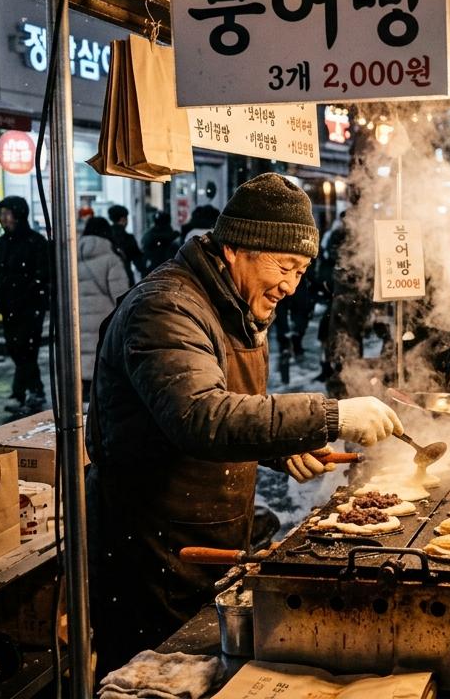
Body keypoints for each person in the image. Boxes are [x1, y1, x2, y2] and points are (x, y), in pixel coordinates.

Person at [86, 174, 404, 676]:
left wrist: (282, 446)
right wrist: (331, 415)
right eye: (284, 266)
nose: (290, 285)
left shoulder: (232, 303)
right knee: (153, 679)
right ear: (235, 248)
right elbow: (199, 417)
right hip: (152, 549)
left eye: (301, 271)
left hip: (207, 537)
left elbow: (234, 408)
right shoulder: (167, 306)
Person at [0, 196, 51, 414]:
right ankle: (36, 389)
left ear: (19, 215)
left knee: (26, 349)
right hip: (8, 307)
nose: (4, 219)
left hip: (29, 305)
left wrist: (31, 291)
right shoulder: (2, 243)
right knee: (17, 350)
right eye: (2, 214)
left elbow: (43, 273)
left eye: (8, 214)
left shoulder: (35, 242)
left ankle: (20, 393)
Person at [78, 217, 130, 398]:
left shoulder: (71, 258)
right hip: (104, 321)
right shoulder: (111, 259)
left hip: (78, 321)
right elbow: (121, 295)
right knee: (101, 370)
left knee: (82, 367)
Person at [107, 204, 146, 284]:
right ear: (123, 219)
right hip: (125, 278)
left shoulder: (106, 237)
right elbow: (139, 263)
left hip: (108, 279)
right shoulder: (128, 238)